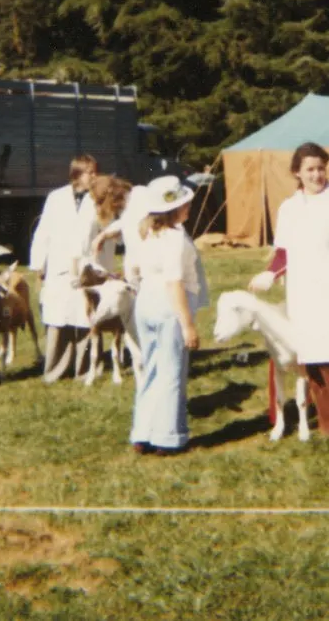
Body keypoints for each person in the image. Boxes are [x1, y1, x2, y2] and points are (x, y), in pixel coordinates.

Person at [250, 142, 329, 438]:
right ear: (297, 173)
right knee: (310, 357)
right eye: (310, 169)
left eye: (321, 168)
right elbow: (284, 252)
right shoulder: (289, 208)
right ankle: (328, 424)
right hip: (303, 290)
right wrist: (269, 273)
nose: (317, 175)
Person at [129, 175, 208, 455]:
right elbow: (175, 282)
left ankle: (143, 432)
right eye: (185, 204)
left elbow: (134, 270)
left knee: (151, 367)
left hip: (145, 301)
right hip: (168, 303)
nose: (189, 207)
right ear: (173, 209)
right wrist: (187, 325)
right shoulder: (176, 239)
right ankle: (167, 436)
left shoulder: (147, 233)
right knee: (172, 370)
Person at [30, 154, 100, 382]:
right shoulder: (56, 198)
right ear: (78, 174)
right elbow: (44, 232)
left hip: (85, 265)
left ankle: (85, 369)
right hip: (60, 265)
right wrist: (38, 264)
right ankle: (55, 370)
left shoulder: (97, 199)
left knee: (86, 317)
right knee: (59, 318)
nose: (95, 176)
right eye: (91, 172)